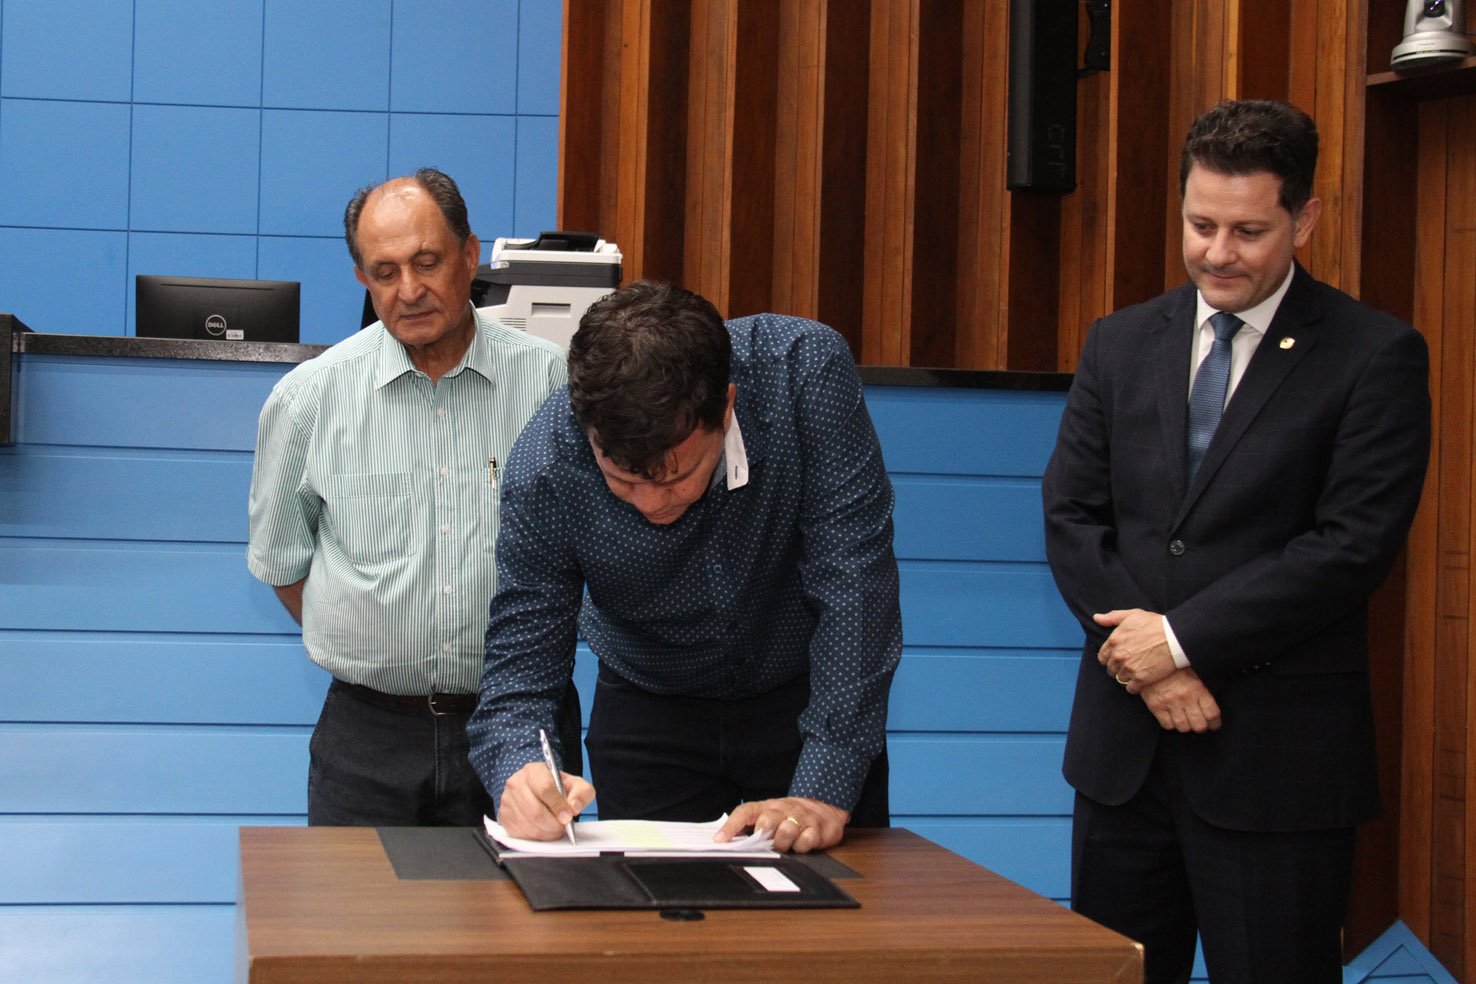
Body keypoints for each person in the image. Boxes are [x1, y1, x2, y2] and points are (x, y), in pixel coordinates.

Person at [1041, 99, 1431, 983]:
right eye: (1200, 225)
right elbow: (1071, 516)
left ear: (1305, 220)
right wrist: (1146, 664)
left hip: (1277, 772)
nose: (1218, 253)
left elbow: (1351, 546)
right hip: (1123, 763)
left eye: (1249, 231)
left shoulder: (1375, 356)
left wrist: (1180, 643)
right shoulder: (1119, 342)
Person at [467, 280, 901, 853]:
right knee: (652, 906)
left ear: (726, 405)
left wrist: (823, 788)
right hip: (648, 712)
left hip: (808, 701)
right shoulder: (545, 464)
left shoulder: (803, 376)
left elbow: (856, 587)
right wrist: (519, 767)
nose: (652, 504)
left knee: (831, 899)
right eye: (623, 481)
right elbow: (521, 657)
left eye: (675, 476)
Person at [246, 167, 575, 826]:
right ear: (363, 279)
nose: (410, 290)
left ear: (470, 255)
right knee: (355, 901)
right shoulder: (308, 399)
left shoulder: (552, 386)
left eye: (427, 262)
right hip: (366, 738)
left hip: (518, 729)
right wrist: (379, 643)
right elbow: (284, 565)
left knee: (521, 900)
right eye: (385, 272)